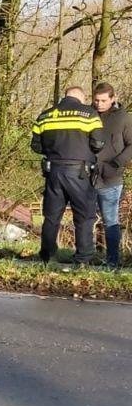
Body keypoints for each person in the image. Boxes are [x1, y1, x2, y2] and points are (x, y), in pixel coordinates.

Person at [31, 86, 105, 265]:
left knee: (52, 216)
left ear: (65, 97)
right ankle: (82, 259)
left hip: (54, 172)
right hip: (79, 172)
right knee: (84, 216)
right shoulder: (89, 114)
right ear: (81, 97)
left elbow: (36, 146)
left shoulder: (45, 115)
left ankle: (47, 257)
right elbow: (98, 143)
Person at [93, 82, 131, 267]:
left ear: (113, 99)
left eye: (103, 100)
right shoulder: (89, 116)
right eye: (96, 100)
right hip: (87, 176)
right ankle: (85, 256)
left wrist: (116, 164)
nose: (99, 104)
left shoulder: (124, 118)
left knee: (110, 220)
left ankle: (113, 261)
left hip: (111, 177)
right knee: (83, 220)